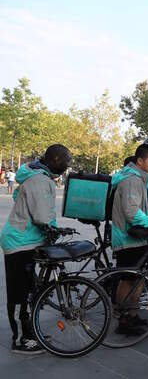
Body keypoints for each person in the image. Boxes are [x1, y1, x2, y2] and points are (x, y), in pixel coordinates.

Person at [1, 144, 72, 354]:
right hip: (20, 241)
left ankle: (30, 332)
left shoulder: (37, 176)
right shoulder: (40, 179)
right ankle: (20, 339)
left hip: (26, 239)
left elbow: (20, 200)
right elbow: (42, 216)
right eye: (67, 161)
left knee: (29, 290)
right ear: (56, 159)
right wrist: (55, 228)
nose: (68, 165)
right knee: (19, 293)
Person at [110, 144, 148, 334]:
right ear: (140, 161)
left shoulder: (141, 179)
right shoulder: (132, 180)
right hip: (128, 238)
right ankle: (124, 320)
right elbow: (133, 213)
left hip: (136, 238)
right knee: (127, 280)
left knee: (137, 278)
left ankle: (132, 316)